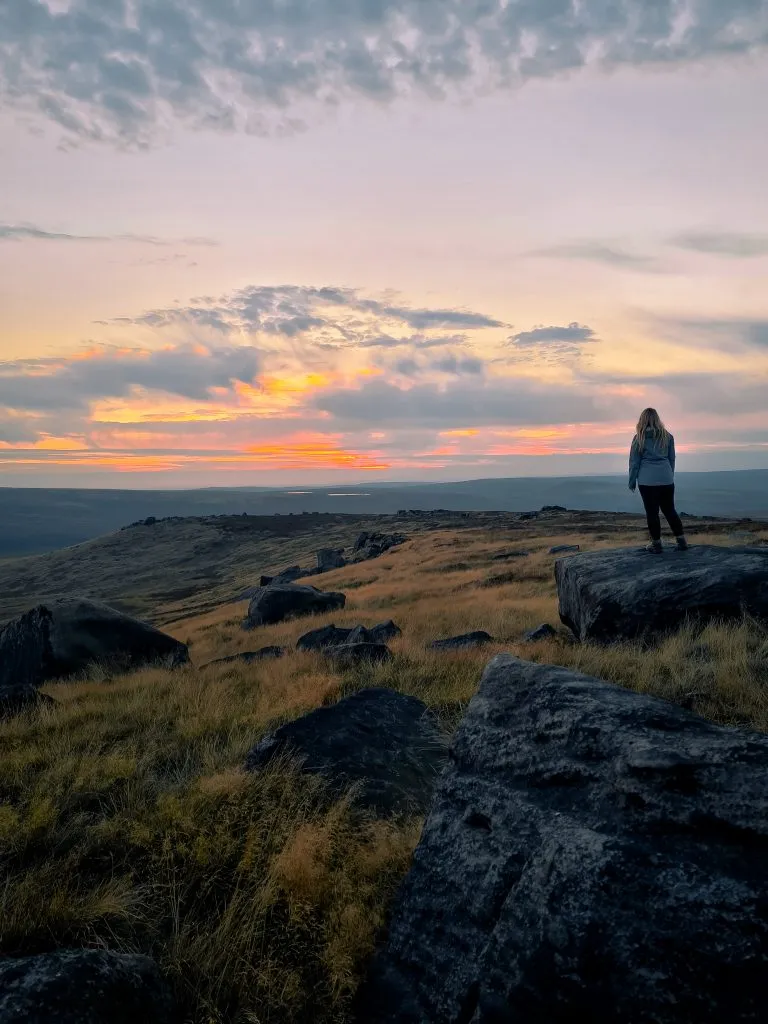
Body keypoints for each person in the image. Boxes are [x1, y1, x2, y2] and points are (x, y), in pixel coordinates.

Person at [628, 408, 688, 553]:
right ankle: (681, 541)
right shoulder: (668, 436)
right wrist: (669, 474)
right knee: (669, 510)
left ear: (642, 420)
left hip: (647, 480)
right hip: (666, 478)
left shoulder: (639, 438)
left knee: (652, 513)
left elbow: (634, 462)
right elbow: (672, 458)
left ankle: (656, 544)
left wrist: (632, 481)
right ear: (657, 419)